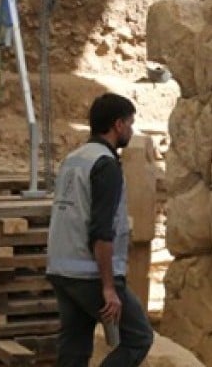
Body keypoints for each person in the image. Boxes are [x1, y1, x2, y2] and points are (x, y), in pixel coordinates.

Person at [46, 93, 153, 367]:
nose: (131, 129)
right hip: (90, 273)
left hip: (61, 269)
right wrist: (108, 287)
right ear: (118, 125)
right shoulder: (106, 165)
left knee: (74, 348)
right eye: (130, 123)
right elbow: (101, 231)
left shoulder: (73, 160)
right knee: (139, 336)